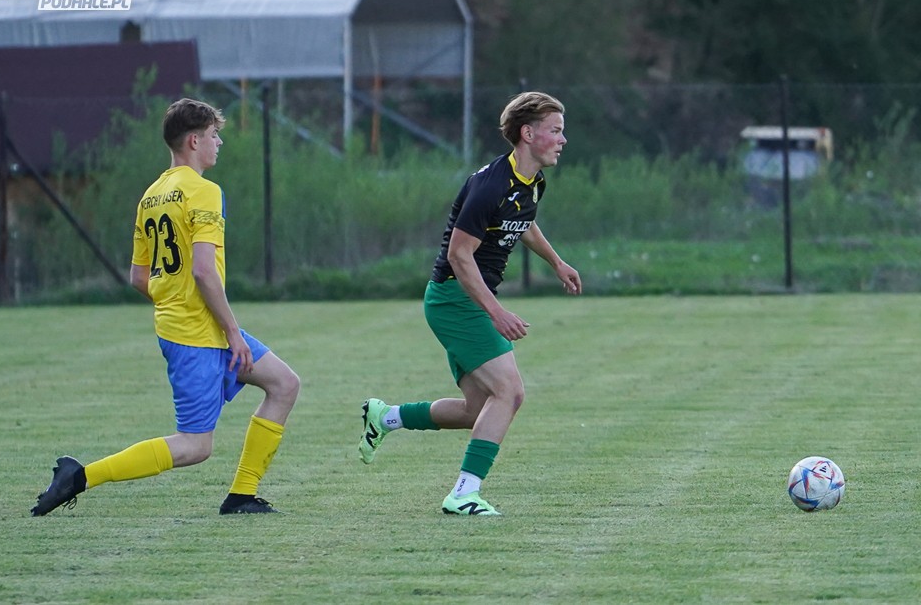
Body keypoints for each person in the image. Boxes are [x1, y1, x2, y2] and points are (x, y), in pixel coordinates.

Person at [31, 98, 300, 516]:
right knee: (195, 446)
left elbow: (139, 278)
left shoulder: (151, 196)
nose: (219, 143)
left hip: (195, 325)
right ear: (194, 141)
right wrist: (231, 332)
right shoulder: (204, 191)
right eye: (214, 135)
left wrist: (179, 304)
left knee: (284, 384)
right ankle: (79, 476)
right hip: (197, 335)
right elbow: (204, 272)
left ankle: (242, 496)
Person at [358, 91, 581, 515]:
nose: (562, 139)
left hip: (468, 298)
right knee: (510, 392)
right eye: (555, 131)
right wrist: (496, 313)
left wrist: (556, 262)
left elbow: (523, 222)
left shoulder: (532, 181)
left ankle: (386, 417)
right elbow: (460, 256)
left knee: (477, 409)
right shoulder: (491, 185)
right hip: (455, 298)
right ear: (528, 133)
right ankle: (463, 494)